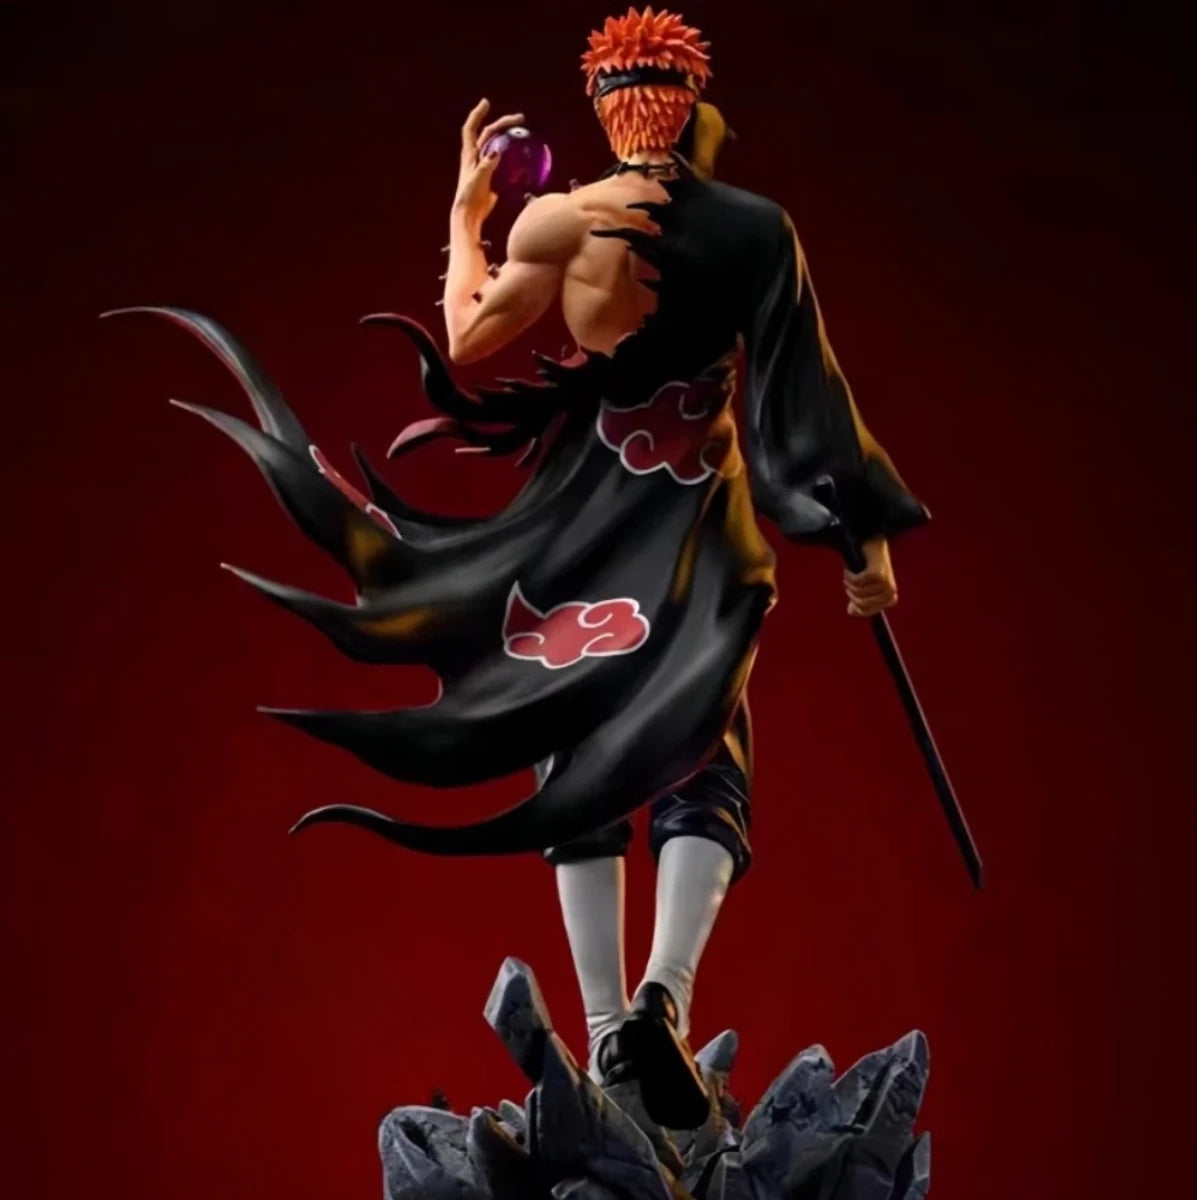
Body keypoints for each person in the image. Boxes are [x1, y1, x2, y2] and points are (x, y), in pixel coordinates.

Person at [133, 6, 928, 1131]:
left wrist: (468, 217)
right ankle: (660, 999)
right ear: (690, 106)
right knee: (705, 746)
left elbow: (466, 336)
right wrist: (861, 539)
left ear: (604, 109)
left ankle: (612, 1030)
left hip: (591, 520)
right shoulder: (757, 231)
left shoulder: (563, 219)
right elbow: (804, 399)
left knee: (578, 738)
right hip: (699, 525)